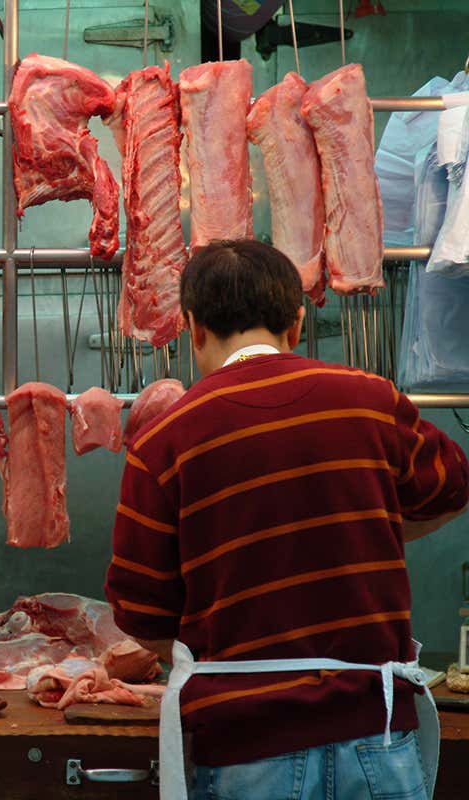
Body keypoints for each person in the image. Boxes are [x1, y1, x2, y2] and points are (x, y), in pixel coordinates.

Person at [106, 239, 468, 800]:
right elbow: (453, 487)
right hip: (376, 741)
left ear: (193, 328)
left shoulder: (163, 441)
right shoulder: (370, 401)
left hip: (245, 752)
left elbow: (140, 612)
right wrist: (367, 526)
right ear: (297, 324)